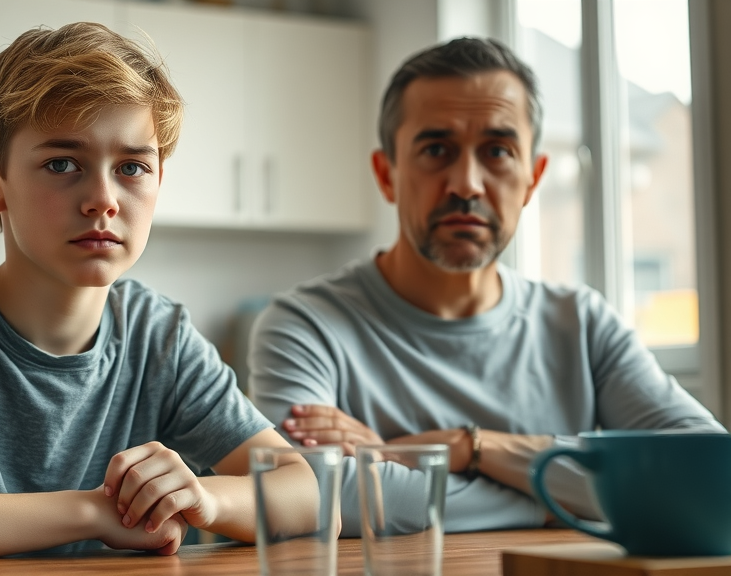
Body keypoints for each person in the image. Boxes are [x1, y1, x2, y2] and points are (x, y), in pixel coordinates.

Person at [0, 22, 314, 562]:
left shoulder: (160, 337)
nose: (103, 199)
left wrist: (204, 498)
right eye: (62, 164)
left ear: (159, 182)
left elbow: (308, 496)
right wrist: (91, 512)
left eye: (132, 167)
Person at [248, 37, 725, 536]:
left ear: (533, 178)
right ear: (387, 175)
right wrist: (552, 502)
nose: (467, 184)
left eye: (497, 151)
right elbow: (310, 494)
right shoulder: (304, 326)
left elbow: (710, 475)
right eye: (436, 150)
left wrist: (469, 447)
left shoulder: (583, 324)